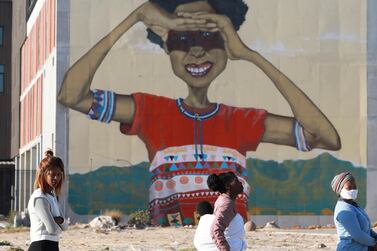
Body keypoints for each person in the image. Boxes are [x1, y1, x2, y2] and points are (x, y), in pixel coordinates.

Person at [58, 0, 341, 225]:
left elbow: (326, 137)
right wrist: (136, 17)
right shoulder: (150, 111)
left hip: (229, 240)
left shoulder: (242, 121)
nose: (196, 50)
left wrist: (249, 54)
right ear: (167, 49)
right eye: (182, 39)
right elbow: (71, 95)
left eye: (209, 37)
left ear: (226, 46)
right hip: (170, 240)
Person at [27, 150, 68, 251]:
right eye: (52, 174)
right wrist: (59, 220)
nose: (56, 178)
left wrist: (59, 220)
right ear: (43, 174)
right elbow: (52, 229)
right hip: (41, 246)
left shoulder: (52, 196)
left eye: (59, 174)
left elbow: (65, 226)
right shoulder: (39, 198)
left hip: (52, 245)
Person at [331, 172, 377, 251]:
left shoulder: (354, 206)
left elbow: (367, 230)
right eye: (349, 188)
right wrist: (374, 244)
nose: (353, 189)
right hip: (351, 248)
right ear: (340, 189)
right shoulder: (344, 210)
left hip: (363, 246)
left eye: (354, 187)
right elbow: (357, 235)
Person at [207, 172, 247, 251]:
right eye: (236, 181)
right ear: (227, 186)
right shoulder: (227, 204)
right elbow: (216, 229)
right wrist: (224, 248)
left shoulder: (224, 199)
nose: (240, 182)